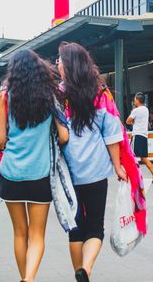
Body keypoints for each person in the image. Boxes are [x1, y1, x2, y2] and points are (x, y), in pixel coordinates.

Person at [57, 42, 127, 282]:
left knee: (76, 226)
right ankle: (85, 270)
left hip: (69, 175)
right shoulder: (100, 93)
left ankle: (79, 271)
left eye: (59, 61)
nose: (57, 65)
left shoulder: (58, 95)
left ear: (68, 66)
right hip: (96, 172)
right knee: (96, 226)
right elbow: (112, 133)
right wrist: (117, 165)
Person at [0, 49, 67, 282]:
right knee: (37, 235)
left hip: (11, 173)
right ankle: (28, 279)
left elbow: (0, 141)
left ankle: (26, 279)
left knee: (19, 233)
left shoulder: (4, 96)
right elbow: (64, 135)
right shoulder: (50, 95)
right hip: (40, 173)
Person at [126, 92, 153, 179]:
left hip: (137, 136)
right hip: (144, 136)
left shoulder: (135, 110)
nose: (134, 100)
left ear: (137, 100)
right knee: (143, 158)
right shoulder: (146, 109)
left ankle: (131, 176)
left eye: (135, 99)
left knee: (130, 156)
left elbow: (128, 121)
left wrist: (133, 121)